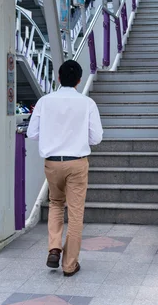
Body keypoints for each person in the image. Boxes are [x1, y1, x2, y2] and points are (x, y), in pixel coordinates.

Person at [27, 59, 103, 277]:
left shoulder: (44, 102)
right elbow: (96, 138)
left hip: (52, 162)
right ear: (79, 80)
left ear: (58, 78)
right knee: (76, 212)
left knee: (55, 204)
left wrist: (52, 137)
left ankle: (54, 248)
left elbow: (32, 134)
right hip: (77, 162)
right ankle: (69, 265)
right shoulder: (87, 103)